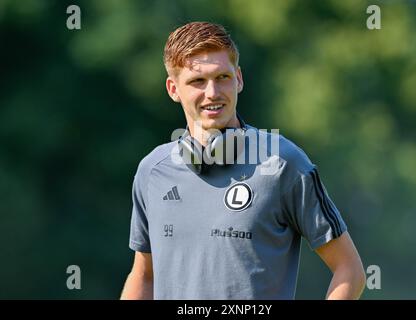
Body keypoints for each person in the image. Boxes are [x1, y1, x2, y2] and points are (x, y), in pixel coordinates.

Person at [120, 21, 366, 300]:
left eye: (222, 77)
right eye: (198, 81)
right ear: (173, 89)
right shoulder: (152, 171)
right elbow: (144, 276)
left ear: (238, 78)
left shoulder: (284, 163)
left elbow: (350, 269)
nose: (213, 93)